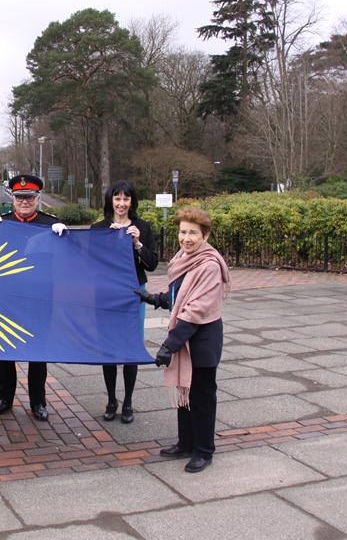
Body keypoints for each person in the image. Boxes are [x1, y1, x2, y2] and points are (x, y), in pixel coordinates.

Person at [136, 206, 230, 473]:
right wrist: (156, 299)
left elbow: (195, 309)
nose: (186, 238)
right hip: (187, 337)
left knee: (201, 395)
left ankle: (204, 451)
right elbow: (180, 296)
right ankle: (186, 442)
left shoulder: (209, 265)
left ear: (205, 235)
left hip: (203, 340)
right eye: (182, 232)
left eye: (193, 233)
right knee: (184, 390)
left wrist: (169, 345)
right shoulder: (184, 258)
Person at [0, 174, 67, 422]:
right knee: (4, 349)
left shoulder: (50, 225)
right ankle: (5, 397)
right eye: (20, 198)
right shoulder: (1, 223)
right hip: (7, 298)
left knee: (38, 351)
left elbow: (66, 261)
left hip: (39, 299)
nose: (24, 202)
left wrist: (65, 237)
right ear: (13, 199)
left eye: (29, 197)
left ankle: (38, 402)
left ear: (38, 198)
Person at [91, 180, 158, 424]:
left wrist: (137, 244)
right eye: (117, 198)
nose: (121, 203)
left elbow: (152, 264)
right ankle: (111, 400)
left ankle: (128, 401)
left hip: (133, 293)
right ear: (110, 201)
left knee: (131, 346)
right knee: (108, 347)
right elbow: (90, 263)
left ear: (132, 202)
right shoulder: (98, 228)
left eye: (126, 199)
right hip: (107, 294)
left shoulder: (142, 227)